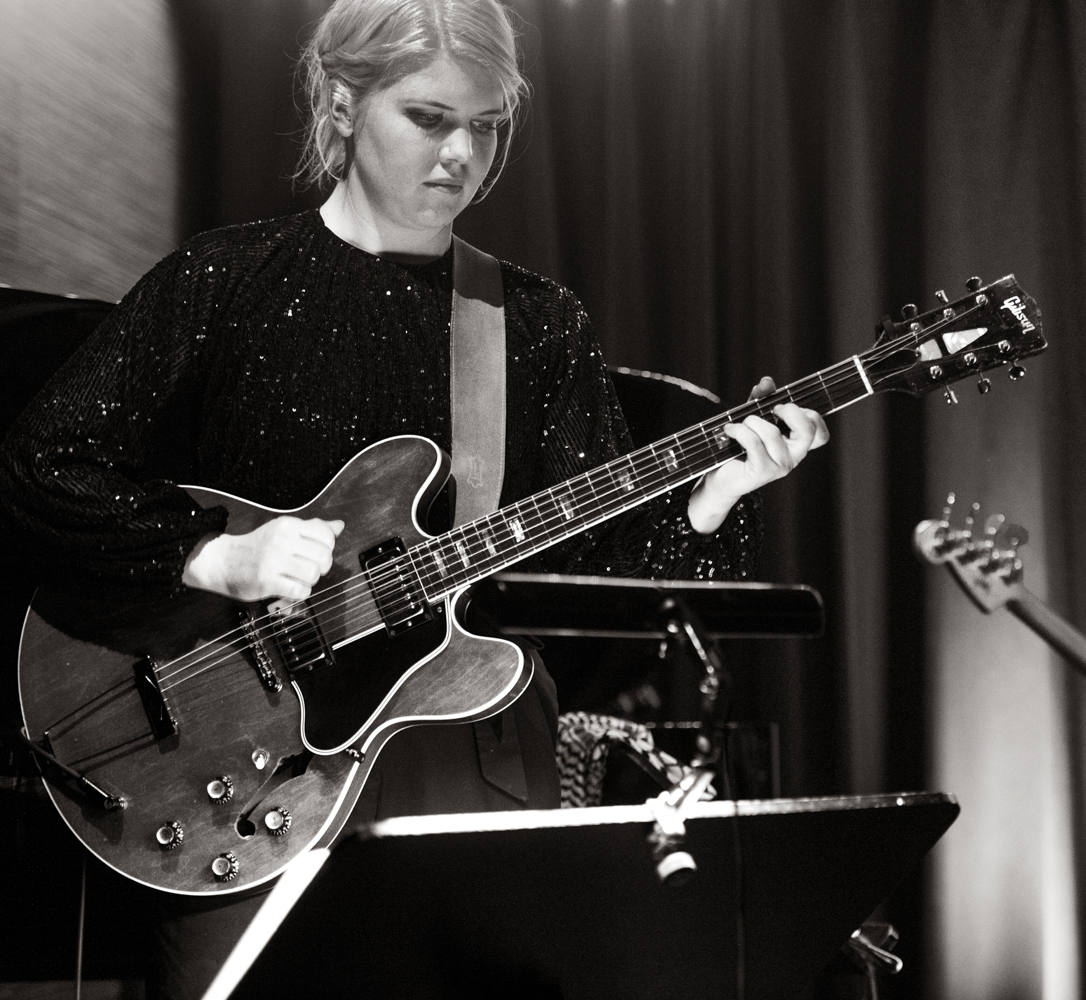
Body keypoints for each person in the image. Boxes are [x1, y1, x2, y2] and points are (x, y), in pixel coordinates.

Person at [0, 1, 828, 996]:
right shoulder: (221, 282)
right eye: (430, 118)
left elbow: (596, 591)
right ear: (342, 103)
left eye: (487, 126)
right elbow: (43, 462)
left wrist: (714, 497)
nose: (464, 153)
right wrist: (216, 555)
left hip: (466, 760)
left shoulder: (533, 321)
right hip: (235, 764)